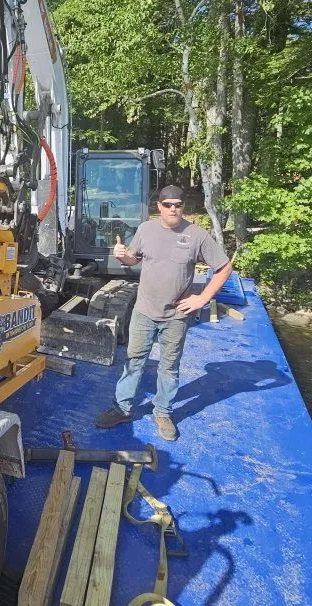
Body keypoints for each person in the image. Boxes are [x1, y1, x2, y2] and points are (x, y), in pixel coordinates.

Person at [94, 185, 233, 441]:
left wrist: (203, 298)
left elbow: (224, 268)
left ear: (183, 207)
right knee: (133, 360)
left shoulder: (197, 236)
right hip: (144, 311)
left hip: (176, 316)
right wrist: (122, 255)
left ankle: (163, 412)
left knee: (169, 367)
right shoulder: (146, 229)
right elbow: (134, 259)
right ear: (159, 206)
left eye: (177, 205)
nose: (173, 209)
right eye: (167, 204)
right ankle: (122, 408)